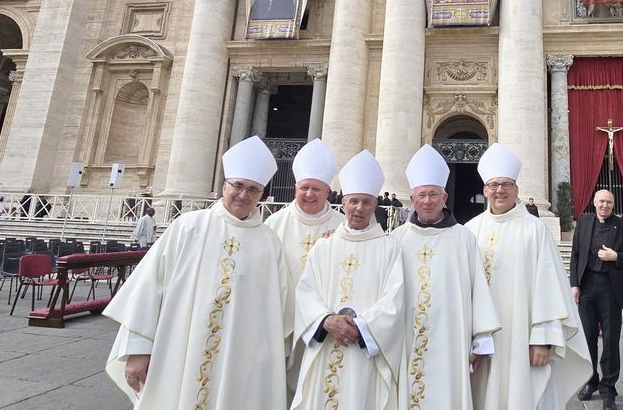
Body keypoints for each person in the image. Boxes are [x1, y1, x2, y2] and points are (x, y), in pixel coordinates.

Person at [103, 136, 291, 409]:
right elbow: (149, 289)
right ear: (224, 186)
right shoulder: (188, 227)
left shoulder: (269, 242)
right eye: (238, 186)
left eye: (253, 189)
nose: (243, 195)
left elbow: (281, 312)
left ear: (261, 195)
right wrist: (137, 350)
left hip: (243, 360)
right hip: (180, 348)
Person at [466, 144, 592, 409]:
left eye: (507, 184)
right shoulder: (470, 230)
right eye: (494, 185)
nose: (500, 190)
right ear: (484, 190)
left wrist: (543, 339)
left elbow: (548, 286)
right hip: (478, 341)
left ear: (517, 190)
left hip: (521, 338)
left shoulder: (534, 230)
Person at [291, 150, 405, 409]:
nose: (359, 208)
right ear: (343, 202)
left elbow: (394, 300)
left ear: (375, 205)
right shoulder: (324, 247)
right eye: (354, 201)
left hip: (363, 351)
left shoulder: (389, 248)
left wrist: (362, 328)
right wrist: (327, 320)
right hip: (326, 344)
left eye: (366, 202)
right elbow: (305, 291)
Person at [390, 144, 500, 409]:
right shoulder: (395, 240)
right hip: (405, 338)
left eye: (433, 195)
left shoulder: (463, 238)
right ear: (412, 199)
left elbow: (479, 292)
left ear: (444, 198)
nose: (427, 201)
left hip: (452, 340)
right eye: (421, 195)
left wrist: (480, 341)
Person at [266, 138, 345, 398]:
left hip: (325, 327)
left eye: (317, 189)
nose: (310, 194)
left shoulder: (343, 227)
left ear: (328, 191)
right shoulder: (273, 225)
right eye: (305, 188)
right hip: (281, 324)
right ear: (295, 187)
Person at [569, 189, 623, 410]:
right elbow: (575, 254)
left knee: (611, 341)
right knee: (588, 339)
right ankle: (590, 381)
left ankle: (608, 390)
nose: (605, 205)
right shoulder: (583, 223)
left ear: (613, 205)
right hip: (587, 288)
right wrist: (574, 284)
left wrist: (617, 257)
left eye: (609, 202)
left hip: (611, 289)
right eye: (601, 201)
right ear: (594, 202)